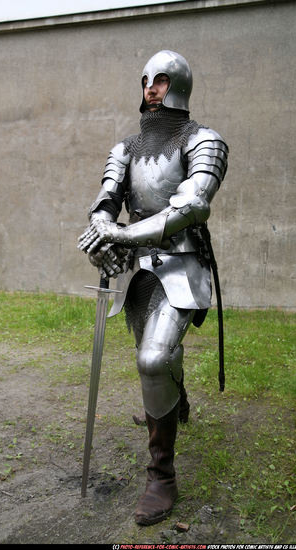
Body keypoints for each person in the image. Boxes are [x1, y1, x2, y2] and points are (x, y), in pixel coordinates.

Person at [78, 50, 228, 526]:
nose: (151, 88)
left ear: (178, 86)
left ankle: (161, 475)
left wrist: (122, 234)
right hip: (138, 270)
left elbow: (191, 206)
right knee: (153, 354)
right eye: (146, 80)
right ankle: (175, 399)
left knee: (152, 359)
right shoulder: (125, 148)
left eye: (160, 81)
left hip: (181, 264)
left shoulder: (205, 141)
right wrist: (101, 230)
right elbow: (106, 200)